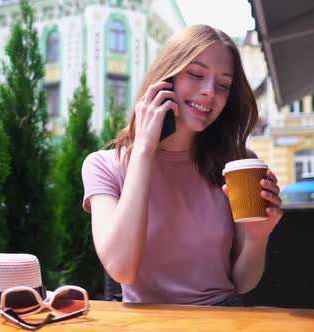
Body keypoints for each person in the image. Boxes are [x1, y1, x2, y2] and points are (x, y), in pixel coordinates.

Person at [81, 24, 283, 306]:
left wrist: (257, 239)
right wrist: (143, 150)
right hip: (148, 323)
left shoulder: (238, 165)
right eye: (196, 74)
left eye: (223, 85)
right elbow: (121, 269)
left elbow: (242, 282)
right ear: (167, 78)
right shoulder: (104, 166)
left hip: (222, 318)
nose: (209, 92)